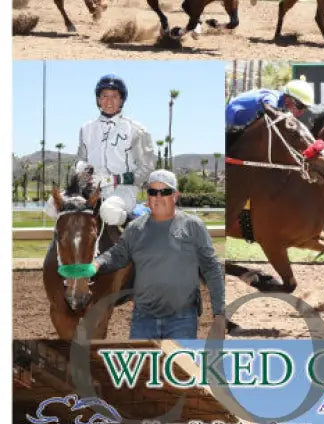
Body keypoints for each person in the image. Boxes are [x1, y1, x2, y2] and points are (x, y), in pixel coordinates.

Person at [90, 168, 226, 340]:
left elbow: (212, 269)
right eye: (153, 192)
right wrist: (96, 263)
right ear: (147, 197)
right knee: (144, 367)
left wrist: (219, 313)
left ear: (175, 196)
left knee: (178, 367)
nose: (158, 197)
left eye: (165, 192)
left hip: (182, 320)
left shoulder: (193, 226)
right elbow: (117, 254)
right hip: (143, 321)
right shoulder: (135, 229)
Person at [68, 75, 156, 227]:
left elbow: (147, 168)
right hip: (91, 191)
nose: (109, 101)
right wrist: (81, 172)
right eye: (104, 96)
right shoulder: (86, 129)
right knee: (52, 205)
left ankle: (134, 231)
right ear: (98, 100)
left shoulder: (137, 130)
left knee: (110, 212)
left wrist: (114, 179)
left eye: (114, 96)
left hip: (122, 192)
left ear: (121, 100)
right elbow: (80, 159)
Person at [225, 76, 316, 131]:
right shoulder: (271, 98)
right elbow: (269, 108)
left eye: (305, 108)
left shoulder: (280, 101)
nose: (301, 112)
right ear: (288, 99)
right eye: (300, 106)